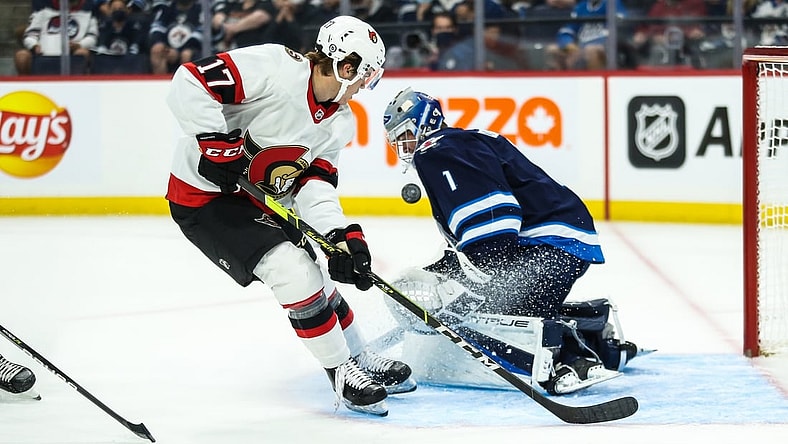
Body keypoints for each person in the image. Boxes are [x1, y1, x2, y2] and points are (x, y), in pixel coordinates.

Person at [164, 15, 415, 417]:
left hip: (262, 199)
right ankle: (340, 373)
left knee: (318, 281)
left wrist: (342, 236)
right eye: (364, 74)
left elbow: (314, 186)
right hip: (205, 199)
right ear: (345, 65)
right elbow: (190, 80)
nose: (365, 85)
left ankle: (360, 356)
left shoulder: (340, 122)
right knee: (295, 273)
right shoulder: (275, 67)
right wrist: (214, 143)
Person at [381, 88, 646, 395]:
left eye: (406, 135)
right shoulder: (460, 143)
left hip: (549, 244)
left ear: (427, 123)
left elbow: (495, 216)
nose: (404, 146)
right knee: (503, 303)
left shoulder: (436, 149)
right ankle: (599, 335)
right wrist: (455, 268)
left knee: (487, 316)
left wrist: (474, 277)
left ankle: (574, 360)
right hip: (562, 238)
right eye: (396, 140)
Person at [15, 0, 99, 75]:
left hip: (72, 55)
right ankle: (27, 87)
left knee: (82, 53)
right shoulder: (43, 11)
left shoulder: (88, 13)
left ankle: (75, 85)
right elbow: (30, 34)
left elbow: (92, 37)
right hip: (42, 54)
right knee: (21, 56)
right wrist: (34, 45)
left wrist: (79, 45)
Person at [545, 0, 628, 70]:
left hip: (604, 47)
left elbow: (619, 26)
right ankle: (564, 85)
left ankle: (595, 84)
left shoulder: (612, 3)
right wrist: (568, 44)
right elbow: (567, 30)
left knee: (591, 50)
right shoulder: (581, 6)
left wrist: (589, 46)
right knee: (553, 49)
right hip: (580, 47)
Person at [148, 0, 203, 74]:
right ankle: (161, 83)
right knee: (156, 50)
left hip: (192, 48)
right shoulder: (166, 8)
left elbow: (201, 32)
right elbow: (157, 28)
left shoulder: (200, 9)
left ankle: (185, 84)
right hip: (168, 47)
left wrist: (179, 51)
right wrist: (160, 43)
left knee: (186, 55)